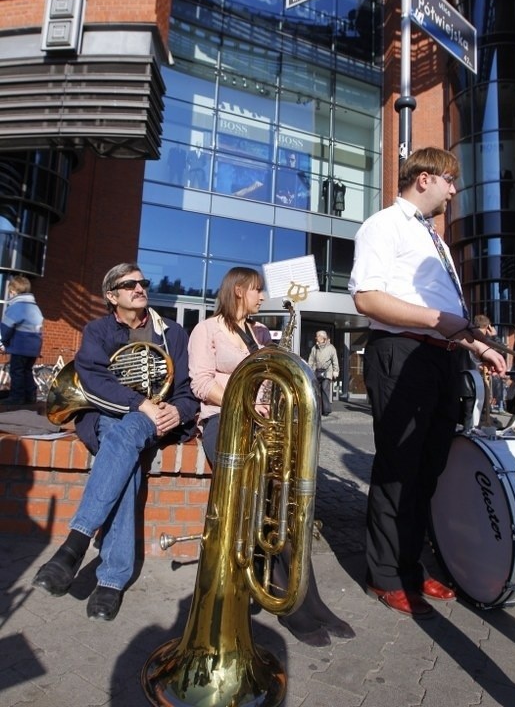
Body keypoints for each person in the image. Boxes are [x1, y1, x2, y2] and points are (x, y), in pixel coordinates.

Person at [349, 147, 507, 619]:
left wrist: (479, 347)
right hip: (403, 354)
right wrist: (438, 321)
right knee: (400, 469)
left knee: (428, 471)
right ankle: (385, 574)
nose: (454, 189)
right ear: (423, 178)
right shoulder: (384, 224)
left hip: (441, 358)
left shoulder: (432, 237)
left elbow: (445, 315)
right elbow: (367, 297)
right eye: (449, 180)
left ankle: (411, 566)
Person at [188, 266, 355, 646]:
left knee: (288, 501)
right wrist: (245, 401)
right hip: (224, 423)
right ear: (239, 291)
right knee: (263, 495)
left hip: (263, 426)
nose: (262, 297)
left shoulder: (261, 334)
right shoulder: (208, 329)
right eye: (257, 291)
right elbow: (200, 382)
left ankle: (307, 597)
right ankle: (289, 602)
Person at [32, 263, 198, 621]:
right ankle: (111, 580)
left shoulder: (172, 333)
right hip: (111, 416)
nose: (140, 288)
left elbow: (186, 393)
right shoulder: (98, 330)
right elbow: (93, 380)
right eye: (129, 284)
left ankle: (75, 545)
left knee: (125, 435)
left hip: (153, 420)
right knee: (125, 453)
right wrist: (140, 403)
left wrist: (177, 413)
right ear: (112, 296)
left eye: (142, 283)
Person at [0, 275, 44, 405]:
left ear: (13, 291)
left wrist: (3, 342)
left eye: (10, 292)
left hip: (20, 347)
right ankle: (30, 396)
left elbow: (6, 329)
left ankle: (17, 397)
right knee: (27, 371)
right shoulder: (35, 307)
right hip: (33, 348)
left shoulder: (16, 307)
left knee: (17, 371)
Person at [308, 331, 339, 416]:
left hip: (327, 372)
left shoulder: (331, 348)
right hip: (317, 371)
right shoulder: (315, 348)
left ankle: (326, 410)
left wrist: (336, 371)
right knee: (316, 390)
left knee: (325, 389)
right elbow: (311, 360)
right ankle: (317, 408)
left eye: (317, 336)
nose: (316, 338)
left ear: (323, 338)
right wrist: (309, 369)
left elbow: (335, 360)